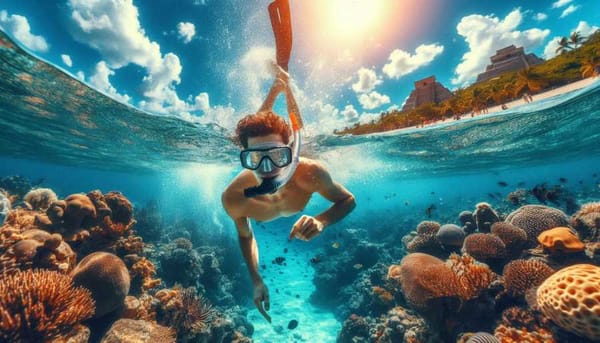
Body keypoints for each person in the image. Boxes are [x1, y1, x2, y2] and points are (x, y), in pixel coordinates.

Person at [221, 71, 356, 323]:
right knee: (262, 127)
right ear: (245, 158)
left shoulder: (309, 172)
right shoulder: (234, 197)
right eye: (255, 158)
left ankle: (283, 87)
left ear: (290, 153)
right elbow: (246, 235)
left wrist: (322, 221)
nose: (268, 168)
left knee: (286, 129)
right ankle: (277, 88)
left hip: (298, 151)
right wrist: (256, 279)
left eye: (278, 156)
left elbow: (348, 200)